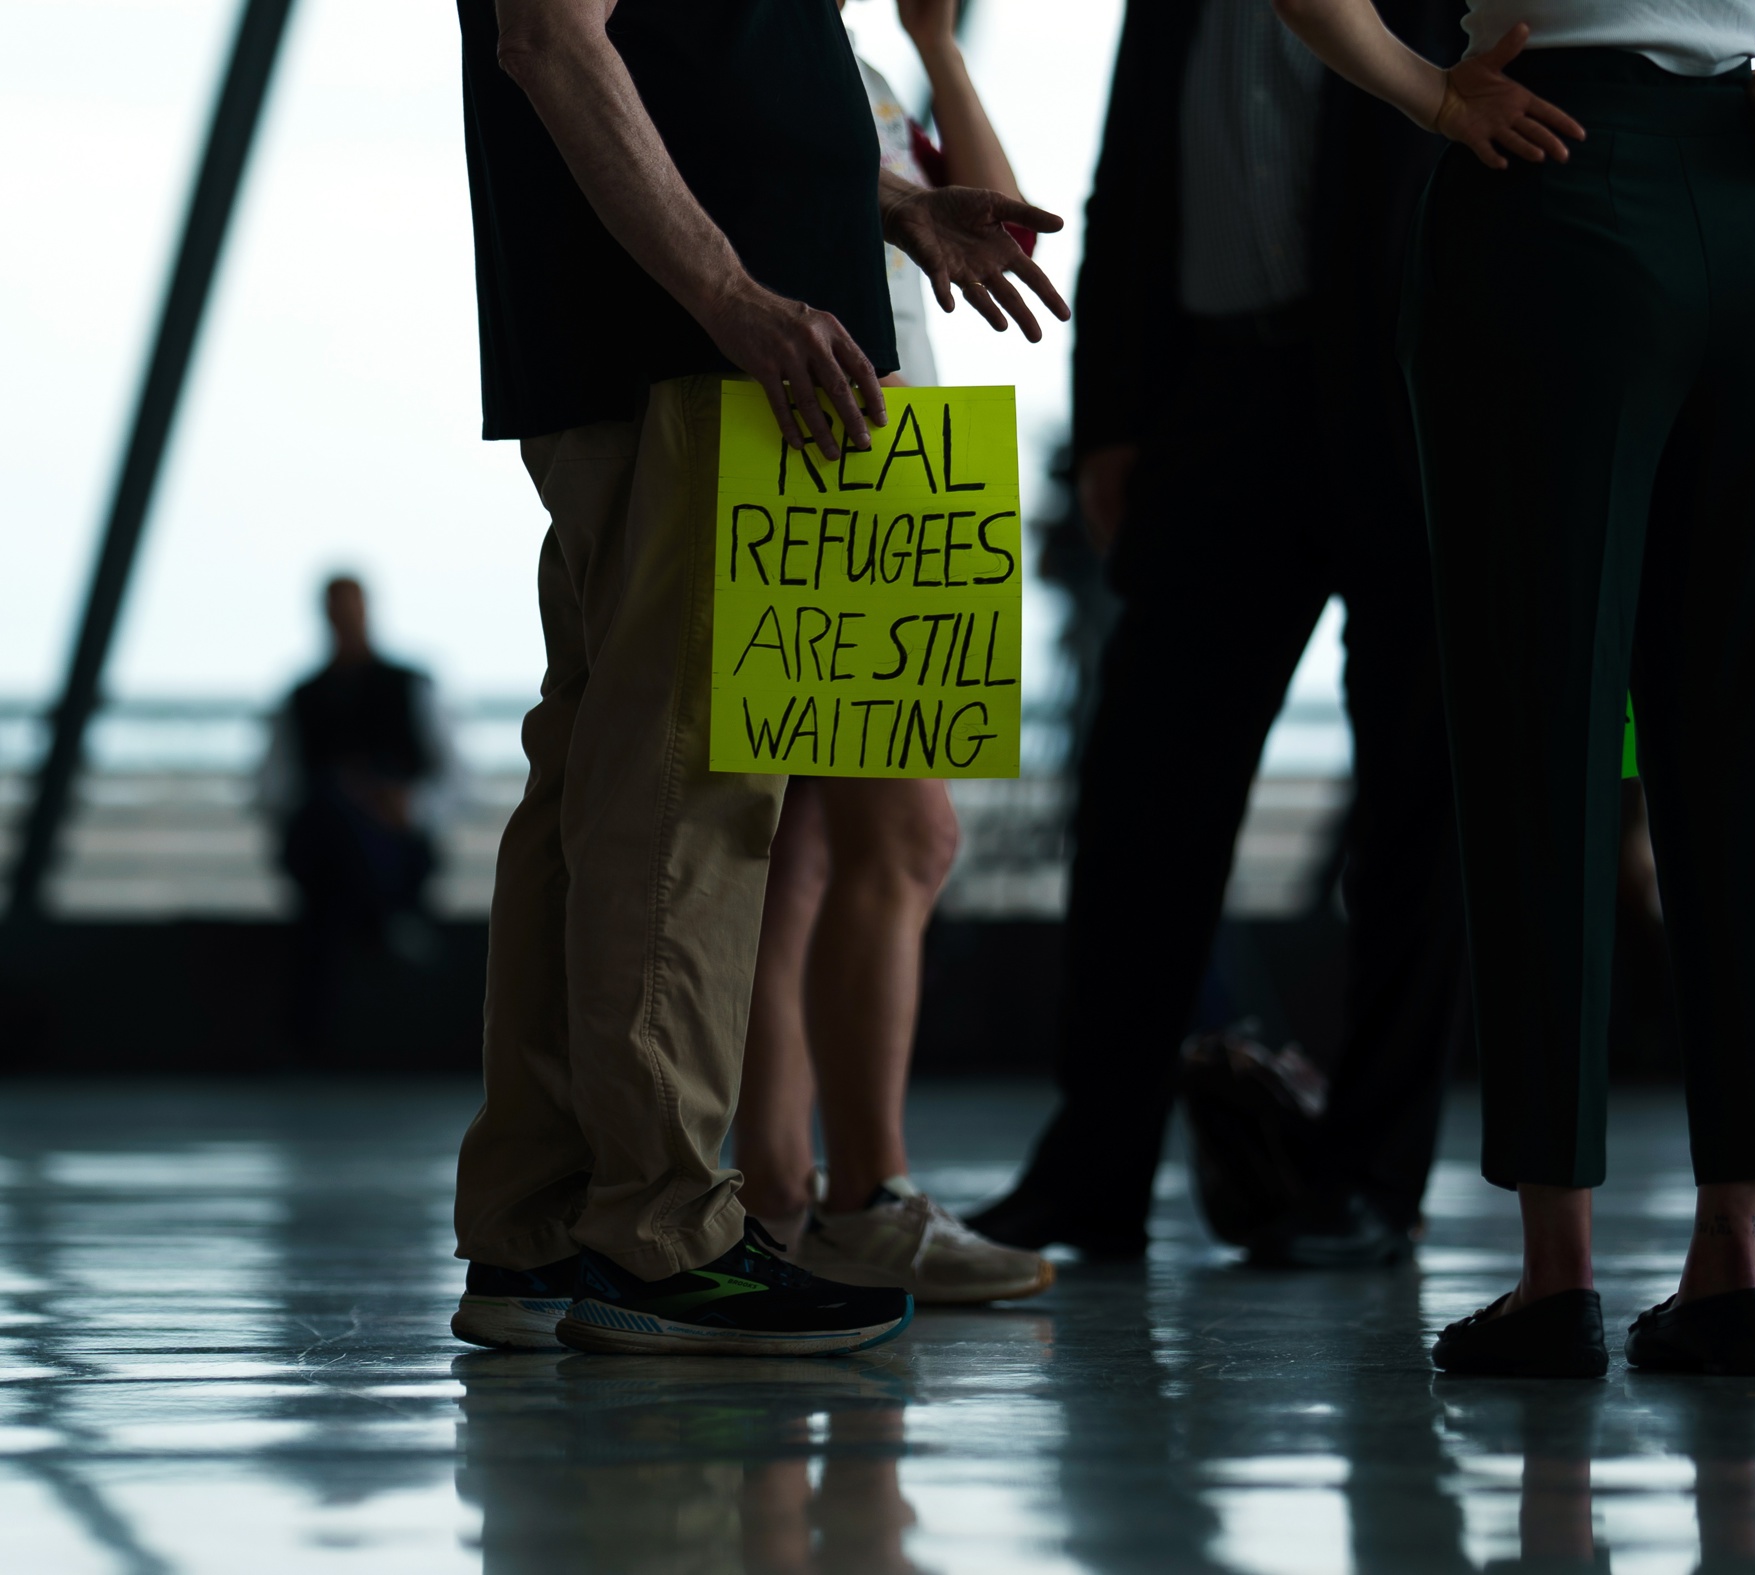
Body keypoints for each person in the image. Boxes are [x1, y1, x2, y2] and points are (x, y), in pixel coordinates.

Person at [1268, 0, 1755, 1378]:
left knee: (1535, 740)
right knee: (1741, 754)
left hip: (1543, 186)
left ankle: (1556, 1273)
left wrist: (1432, 99)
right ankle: (1729, 1261)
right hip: (1743, 205)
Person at [446, 0, 1066, 1358]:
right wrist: (734, 292)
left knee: (601, 786)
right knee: (684, 785)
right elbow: (551, 37)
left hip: (700, 344)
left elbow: (699, 68)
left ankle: (539, 1224)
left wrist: (889, 204)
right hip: (691, 349)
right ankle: (660, 1235)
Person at [966, 0, 1475, 1269]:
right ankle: (1097, 1169)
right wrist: (1110, 423)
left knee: (1420, 811)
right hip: (1217, 399)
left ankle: (1371, 1177)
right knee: (1141, 797)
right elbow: (1129, 171)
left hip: (1419, 395)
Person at [728, 0, 1055, 1305]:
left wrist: (935, 46)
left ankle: (776, 1191)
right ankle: (862, 1190)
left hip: (880, 454)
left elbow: (1006, 222)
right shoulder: (781, 57)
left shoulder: (853, 68)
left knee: (804, 852)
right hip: (842, 455)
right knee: (905, 837)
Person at [259, 576, 454, 1051]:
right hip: (346, 849)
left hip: (387, 846)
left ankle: (311, 1044)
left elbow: (454, 776)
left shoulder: (409, 685)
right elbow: (274, 786)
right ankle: (389, 916)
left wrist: (407, 806)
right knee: (331, 812)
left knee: (329, 879)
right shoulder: (302, 697)